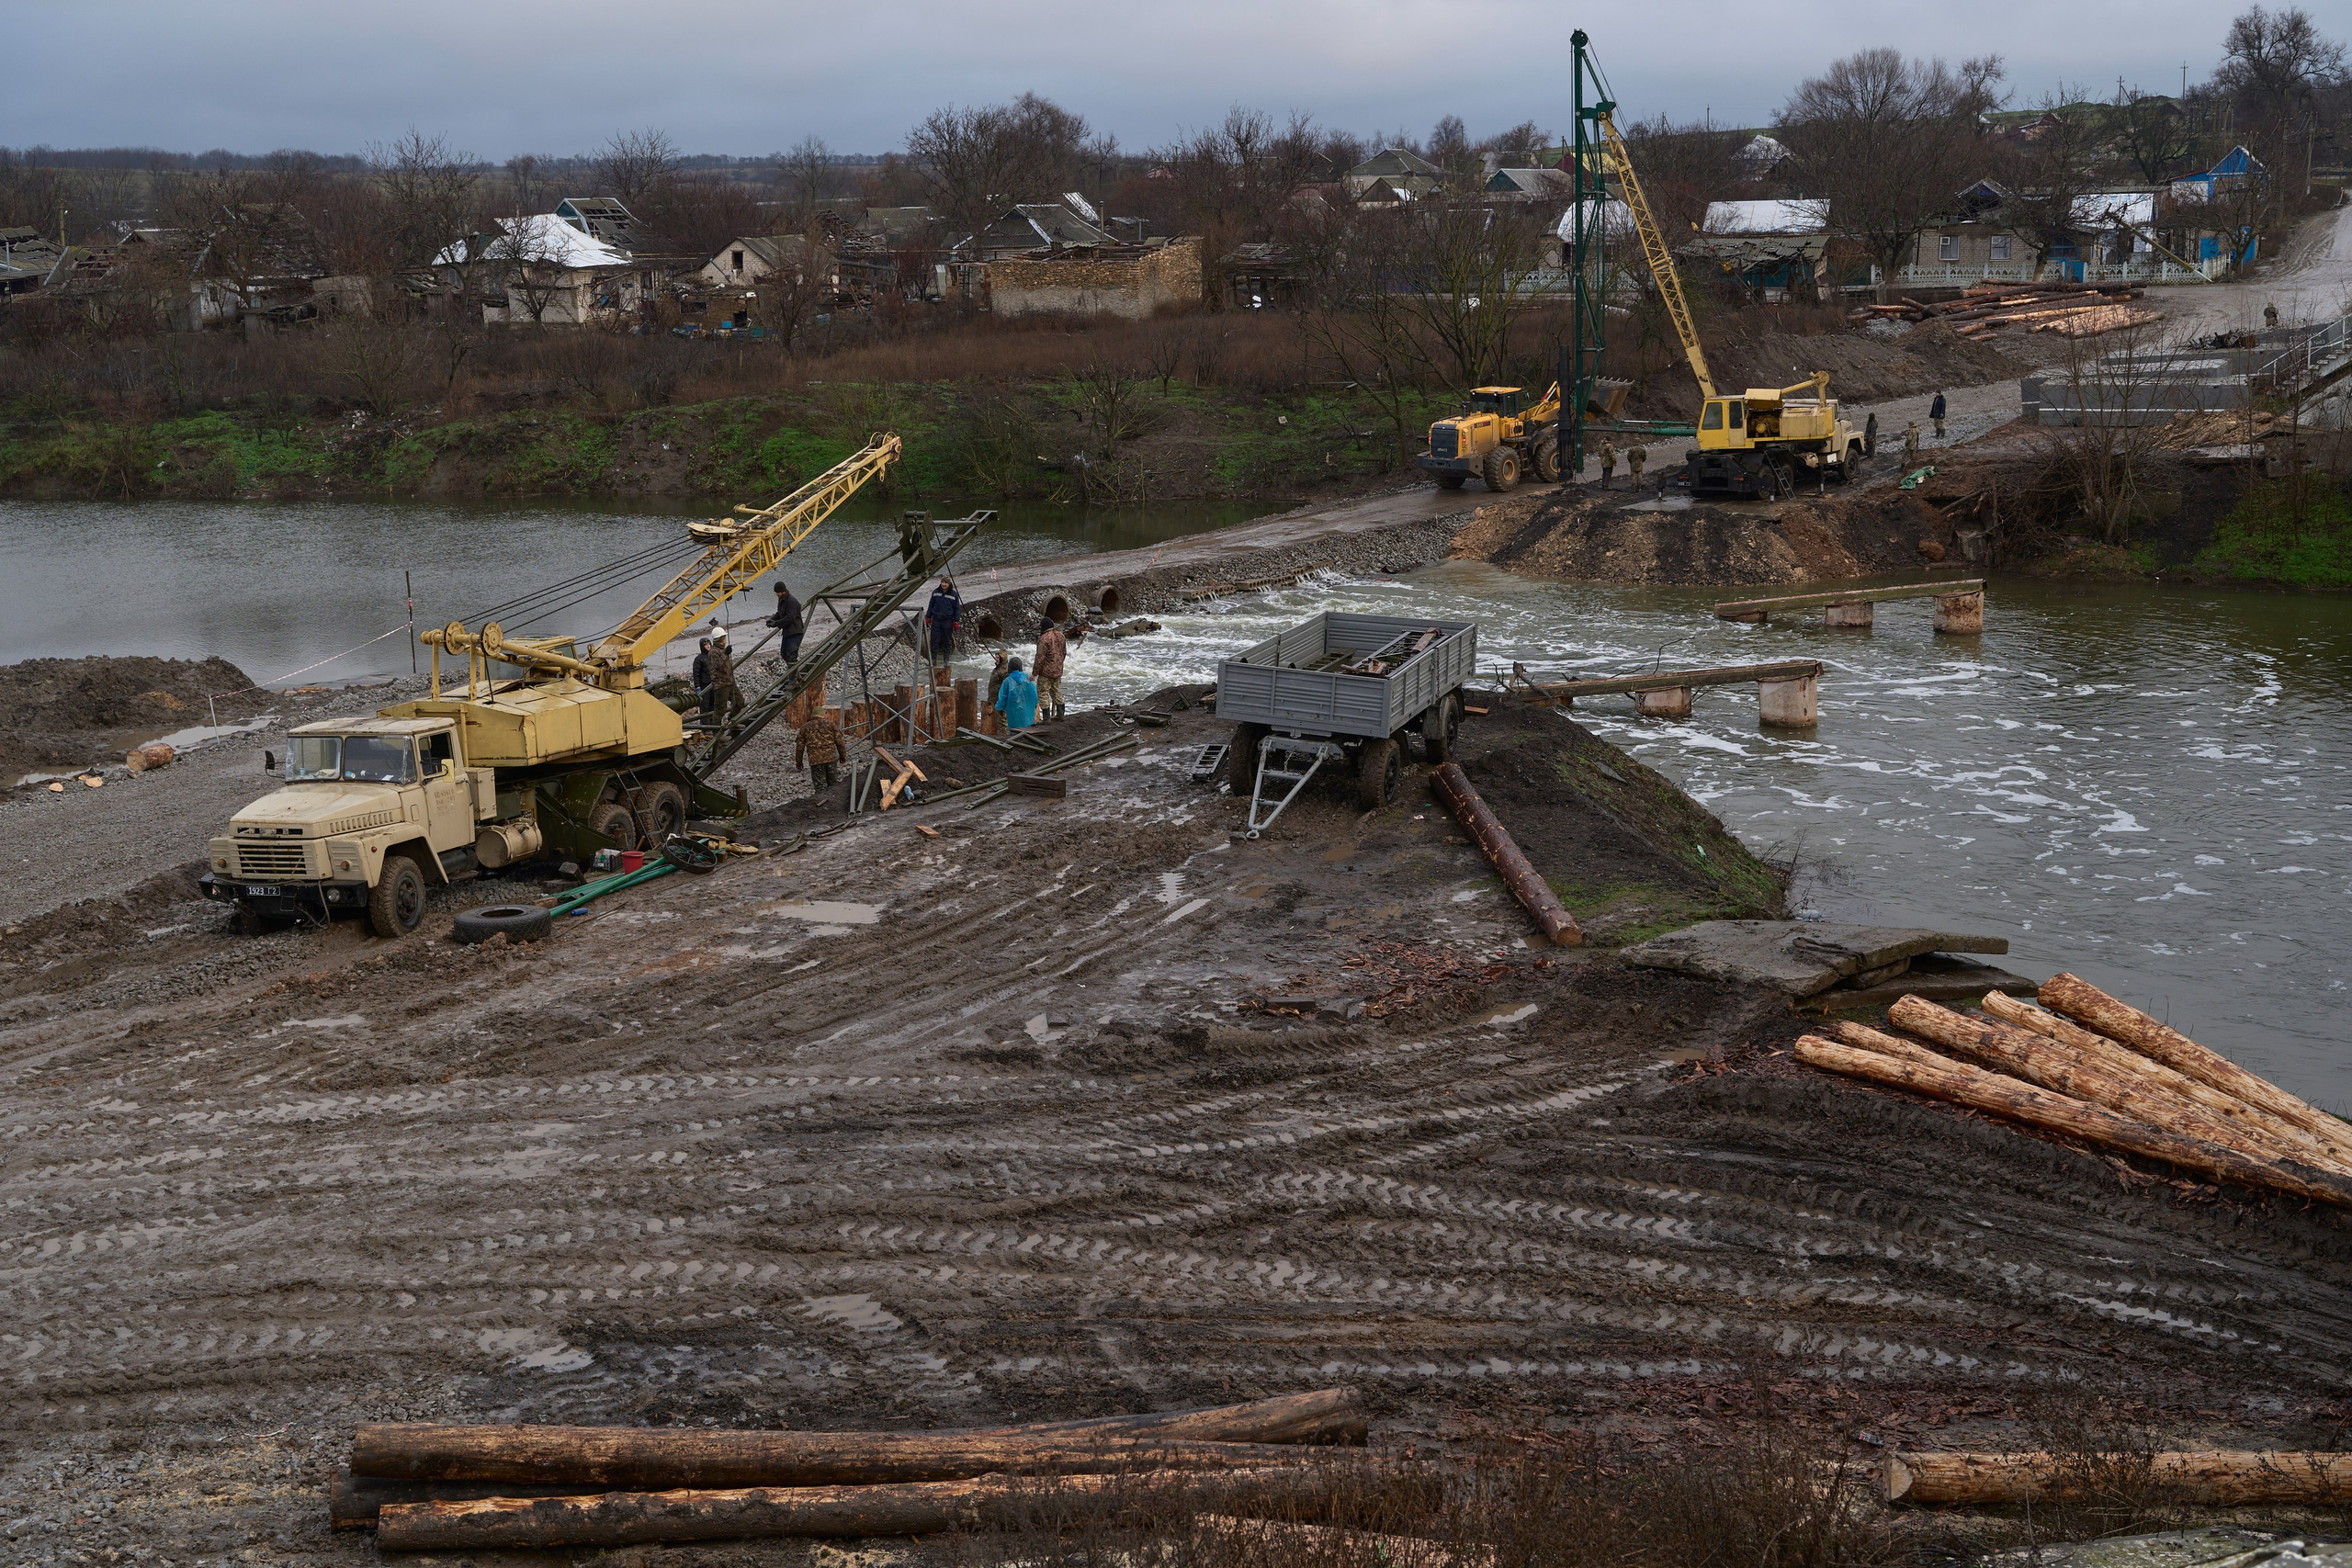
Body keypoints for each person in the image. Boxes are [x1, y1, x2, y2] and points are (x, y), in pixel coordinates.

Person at [794, 703, 843, 795]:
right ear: (823, 715)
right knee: (834, 785)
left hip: (815, 761)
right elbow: (840, 742)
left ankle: (822, 805)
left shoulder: (805, 727)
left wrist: (799, 762)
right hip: (831, 758)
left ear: (812, 715)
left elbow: (799, 747)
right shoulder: (830, 724)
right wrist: (842, 757)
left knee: (820, 788)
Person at [704, 625, 744, 730]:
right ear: (721, 639)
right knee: (720, 709)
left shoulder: (721, 650)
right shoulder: (713, 652)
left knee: (739, 702)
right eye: (724, 638)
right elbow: (718, 666)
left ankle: (732, 721)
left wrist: (725, 652)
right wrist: (726, 654)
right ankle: (716, 734)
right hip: (721, 685)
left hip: (730, 683)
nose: (725, 639)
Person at [1033, 616, 1068, 722]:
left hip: (1046, 672)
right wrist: (1059, 665)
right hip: (1058, 670)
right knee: (1056, 691)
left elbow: (1040, 658)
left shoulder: (1044, 639)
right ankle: (1061, 714)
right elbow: (1064, 653)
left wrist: (1034, 673)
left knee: (1043, 693)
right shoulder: (1061, 635)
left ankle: (1046, 718)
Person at [994, 655, 1038, 731]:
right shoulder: (1027, 679)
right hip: (1028, 712)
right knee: (1027, 728)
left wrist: (999, 708)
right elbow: (1034, 695)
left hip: (1013, 711)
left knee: (1014, 730)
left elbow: (1003, 697)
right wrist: (1034, 705)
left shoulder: (1008, 681)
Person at [766, 581, 804, 665]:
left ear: (783, 591)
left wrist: (776, 623)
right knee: (784, 654)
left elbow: (790, 618)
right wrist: (772, 619)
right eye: (776, 593)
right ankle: (796, 675)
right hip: (788, 632)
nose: (777, 594)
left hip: (795, 632)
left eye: (778, 592)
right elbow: (780, 613)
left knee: (791, 656)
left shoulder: (791, 601)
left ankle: (792, 677)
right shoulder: (783, 600)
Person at [923, 576, 960, 660]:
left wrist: (956, 621)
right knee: (934, 640)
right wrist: (928, 617)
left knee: (947, 640)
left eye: (945, 583)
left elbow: (957, 608)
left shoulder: (954, 594)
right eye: (942, 582)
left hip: (947, 621)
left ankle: (946, 660)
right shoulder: (935, 592)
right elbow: (931, 605)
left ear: (949, 584)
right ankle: (933, 660)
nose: (943, 584)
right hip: (936, 620)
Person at [691, 637, 713, 726]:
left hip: (714, 684)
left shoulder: (713, 656)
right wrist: (697, 687)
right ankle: (705, 727)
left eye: (709, 644)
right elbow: (696, 674)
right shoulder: (699, 659)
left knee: (713, 705)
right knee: (704, 707)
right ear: (702, 646)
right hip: (704, 686)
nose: (708, 646)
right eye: (705, 645)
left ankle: (713, 725)